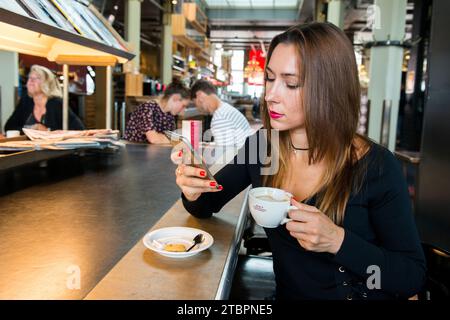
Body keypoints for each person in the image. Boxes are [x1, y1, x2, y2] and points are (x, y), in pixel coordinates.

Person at [172, 22, 426, 300]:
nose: (270, 95)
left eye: (291, 83)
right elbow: (207, 203)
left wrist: (338, 241)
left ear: (331, 89)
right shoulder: (262, 148)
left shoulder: (375, 167)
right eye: (270, 78)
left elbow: (411, 276)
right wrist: (194, 188)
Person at [5, 65, 84, 132]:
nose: (31, 81)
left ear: (47, 83)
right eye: (30, 78)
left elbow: (79, 130)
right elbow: (9, 127)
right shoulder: (26, 101)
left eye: (37, 78)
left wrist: (48, 131)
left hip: (54, 149)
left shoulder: (56, 104)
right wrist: (30, 129)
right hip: (29, 149)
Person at [190, 80, 251, 148]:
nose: (198, 108)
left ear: (200, 95)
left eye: (195, 103)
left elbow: (224, 156)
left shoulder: (220, 117)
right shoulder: (225, 109)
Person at [124, 81, 190, 144]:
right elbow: (153, 139)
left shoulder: (169, 115)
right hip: (133, 152)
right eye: (183, 106)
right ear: (175, 98)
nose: (183, 110)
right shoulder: (147, 108)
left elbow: (168, 138)